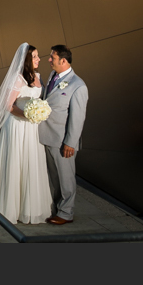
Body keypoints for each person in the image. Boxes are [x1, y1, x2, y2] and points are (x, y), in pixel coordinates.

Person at [0, 45, 52, 224]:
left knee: (32, 161)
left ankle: (30, 208)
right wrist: (27, 115)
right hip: (17, 125)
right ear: (27, 59)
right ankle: (11, 207)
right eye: (35, 56)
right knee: (17, 161)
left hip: (32, 128)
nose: (39, 59)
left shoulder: (38, 77)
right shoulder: (18, 79)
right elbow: (8, 105)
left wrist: (38, 113)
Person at [38, 44, 88, 225]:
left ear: (63, 61)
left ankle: (66, 213)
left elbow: (77, 118)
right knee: (54, 178)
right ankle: (57, 209)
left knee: (66, 179)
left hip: (63, 142)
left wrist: (70, 143)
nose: (49, 60)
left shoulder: (78, 86)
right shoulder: (53, 76)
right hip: (47, 137)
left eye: (53, 57)